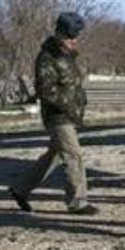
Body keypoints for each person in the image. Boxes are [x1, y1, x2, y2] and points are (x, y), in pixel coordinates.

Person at [8, 12, 97, 215]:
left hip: (69, 114)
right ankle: (77, 202)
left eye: (76, 36)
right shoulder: (47, 58)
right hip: (57, 115)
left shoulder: (68, 57)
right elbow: (46, 91)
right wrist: (68, 105)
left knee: (54, 156)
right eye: (70, 36)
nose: (74, 40)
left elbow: (73, 86)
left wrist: (80, 101)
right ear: (58, 33)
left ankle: (20, 189)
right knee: (73, 155)